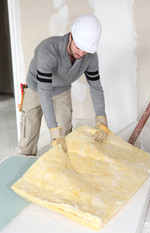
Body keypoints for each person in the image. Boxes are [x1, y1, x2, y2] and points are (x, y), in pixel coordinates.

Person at [17, 13, 108, 156]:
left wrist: (101, 117)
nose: (82, 52)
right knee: (28, 137)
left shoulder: (90, 56)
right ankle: (24, 170)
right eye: (79, 46)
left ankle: (59, 173)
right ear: (71, 36)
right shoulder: (47, 50)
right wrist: (53, 129)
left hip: (62, 90)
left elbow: (96, 87)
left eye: (86, 49)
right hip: (36, 88)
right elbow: (45, 91)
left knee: (64, 137)